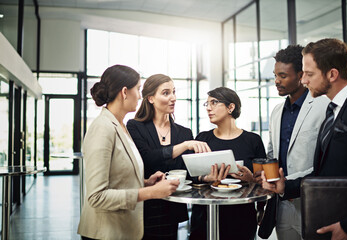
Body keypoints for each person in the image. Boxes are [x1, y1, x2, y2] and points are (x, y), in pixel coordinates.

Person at [262, 38, 347, 240]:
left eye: (309, 74)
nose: (304, 80)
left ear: (332, 74)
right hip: (328, 215)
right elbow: (323, 172)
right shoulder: (334, 112)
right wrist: (284, 186)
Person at [77, 65, 179, 240]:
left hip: (122, 231)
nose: (140, 96)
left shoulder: (121, 126)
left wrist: (146, 183)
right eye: (138, 89)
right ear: (125, 92)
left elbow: (118, 178)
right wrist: (151, 193)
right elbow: (96, 196)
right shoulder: (103, 128)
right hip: (105, 233)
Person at [127, 74, 210, 240]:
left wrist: (205, 177)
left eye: (173, 92)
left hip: (173, 206)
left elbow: (189, 171)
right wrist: (184, 145)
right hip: (145, 206)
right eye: (166, 93)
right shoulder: (135, 126)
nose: (173, 98)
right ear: (150, 98)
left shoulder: (184, 132)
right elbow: (147, 158)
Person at [266, 45, 329, 240]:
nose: (276, 81)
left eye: (283, 76)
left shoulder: (324, 105)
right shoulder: (276, 111)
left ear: (301, 75)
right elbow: (272, 154)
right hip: (282, 205)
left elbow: (325, 160)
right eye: (275, 75)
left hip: (313, 203)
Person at [189, 87, 266, 240]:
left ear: (231, 107)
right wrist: (205, 178)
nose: (208, 108)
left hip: (241, 217)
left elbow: (264, 182)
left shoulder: (253, 140)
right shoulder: (202, 139)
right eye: (207, 104)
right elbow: (189, 175)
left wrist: (250, 179)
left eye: (214, 102)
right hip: (205, 215)